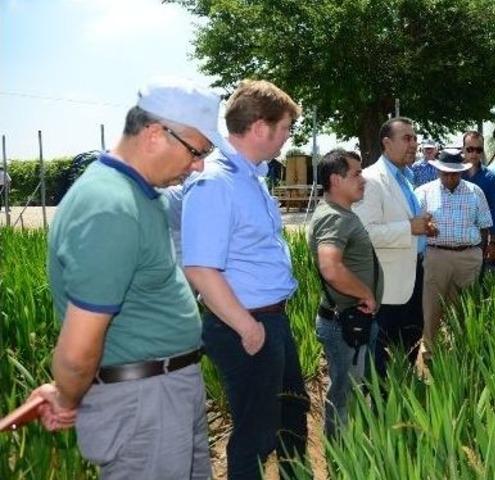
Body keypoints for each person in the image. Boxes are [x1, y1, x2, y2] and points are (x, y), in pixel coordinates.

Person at [29, 78, 221, 479]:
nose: (199, 165)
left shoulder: (140, 195)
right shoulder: (110, 206)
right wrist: (66, 396)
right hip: (144, 405)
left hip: (162, 393)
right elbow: (79, 348)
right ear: (154, 135)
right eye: (197, 151)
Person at [182, 79, 308, 479]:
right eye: (285, 128)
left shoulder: (251, 176)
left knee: (291, 417)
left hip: (269, 320)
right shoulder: (215, 182)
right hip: (244, 325)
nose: (287, 137)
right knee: (257, 436)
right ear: (259, 128)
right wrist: (247, 327)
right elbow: (200, 267)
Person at [353, 117, 436, 378]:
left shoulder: (406, 178)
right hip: (387, 287)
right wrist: (409, 228)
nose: (414, 144)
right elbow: (365, 233)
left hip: (414, 276)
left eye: (415, 138)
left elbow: (405, 222)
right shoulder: (371, 180)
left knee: (409, 346)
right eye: (406, 138)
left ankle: (403, 392)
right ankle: (382, 401)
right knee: (382, 359)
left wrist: (422, 227)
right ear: (386, 143)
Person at [308, 149, 383, 437]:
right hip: (345, 324)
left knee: (351, 390)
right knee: (345, 395)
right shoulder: (334, 217)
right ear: (336, 180)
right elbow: (330, 266)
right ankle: (340, 453)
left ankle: (351, 448)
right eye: (356, 174)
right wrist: (366, 293)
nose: (363, 179)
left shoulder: (340, 213)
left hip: (353, 320)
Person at [415, 152, 492, 361]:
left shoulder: (475, 192)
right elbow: (415, 225)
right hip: (436, 255)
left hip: (468, 255)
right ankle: (430, 349)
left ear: (462, 172)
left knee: (465, 305)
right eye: (446, 173)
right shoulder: (423, 193)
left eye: (455, 174)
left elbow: (484, 226)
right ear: (438, 170)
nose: (450, 178)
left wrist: (479, 253)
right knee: (432, 305)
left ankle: (463, 349)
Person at [460, 131, 495, 264]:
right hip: (454, 234)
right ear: (463, 149)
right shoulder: (454, 174)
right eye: (470, 149)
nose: (474, 153)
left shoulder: (490, 178)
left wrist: (493, 242)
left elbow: (494, 209)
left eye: (478, 150)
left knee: (477, 273)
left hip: (479, 237)